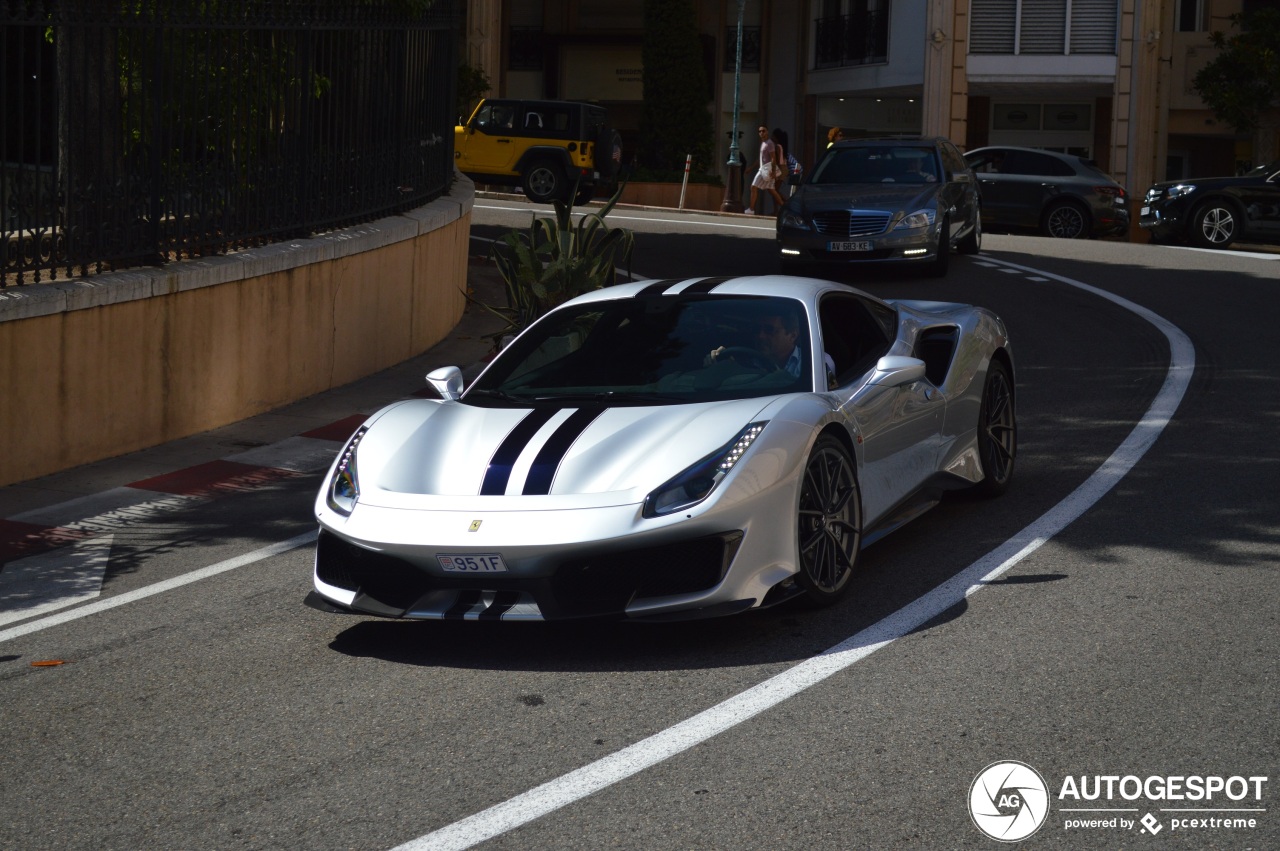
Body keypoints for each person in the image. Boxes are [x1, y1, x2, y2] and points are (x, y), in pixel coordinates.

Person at [746, 125, 784, 215]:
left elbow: (773, 158)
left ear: (767, 132)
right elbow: (760, 159)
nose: (761, 133)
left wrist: (774, 172)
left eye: (763, 131)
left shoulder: (769, 143)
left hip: (767, 170)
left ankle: (751, 209)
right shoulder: (763, 143)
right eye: (760, 131)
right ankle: (784, 207)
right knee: (772, 190)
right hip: (765, 169)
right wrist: (751, 168)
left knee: (753, 187)